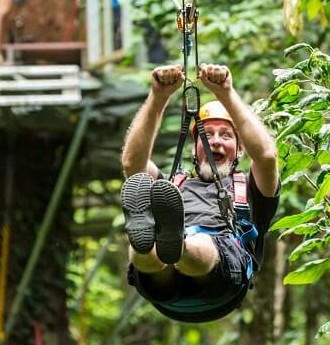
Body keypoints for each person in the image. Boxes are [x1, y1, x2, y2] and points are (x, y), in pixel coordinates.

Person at [119, 63, 279, 322]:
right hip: (164, 290)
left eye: (225, 135)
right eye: (207, 134)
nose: (214, 141)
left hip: (222, 282)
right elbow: (132, 165)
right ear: (195, 149)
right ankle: (154, 245)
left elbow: (267, 156)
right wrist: (158, 97)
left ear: (240, 149)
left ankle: (178, 245)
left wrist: (225, 92)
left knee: (200, 243)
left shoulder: (251, 189)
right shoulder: (173, 184)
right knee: (146, 250)